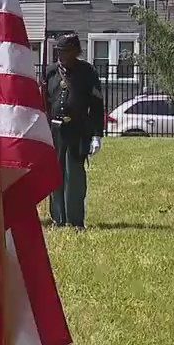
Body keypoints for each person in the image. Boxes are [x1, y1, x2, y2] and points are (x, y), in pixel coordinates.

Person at [43, 33, 105, 229]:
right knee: (55, 175)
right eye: (59, 52)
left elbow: (96, 105)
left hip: (78, 130)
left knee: (75, 175)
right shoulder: (50, 72)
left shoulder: (87, 72)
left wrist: (97, 134)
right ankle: (58, 218)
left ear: (75, 52)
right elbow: (43, 102)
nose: (61, 56)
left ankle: (75, 219)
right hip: (54, 131)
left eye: (66, 52)